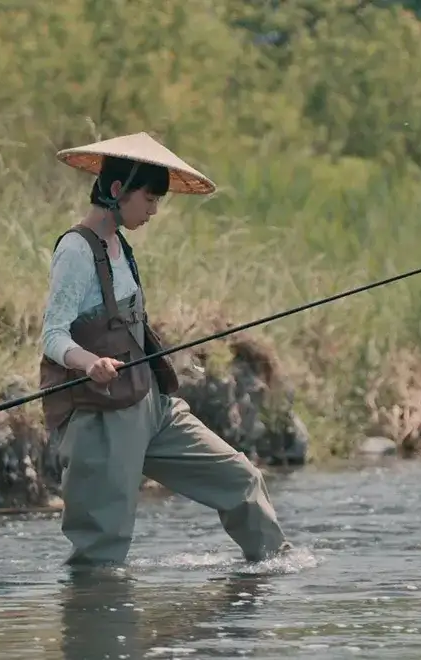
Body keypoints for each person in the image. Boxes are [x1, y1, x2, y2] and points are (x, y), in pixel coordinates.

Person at [39, 131, 291, 565]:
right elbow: (53, 335)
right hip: (100, 420)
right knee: (102, 549)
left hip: (152, 407)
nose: (155, 209)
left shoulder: (121, 247)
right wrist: (89, 362)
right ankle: (92, 626)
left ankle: (275, 575)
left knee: (240, 479)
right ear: (118, 191)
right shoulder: (76, 251)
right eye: (151, 199)